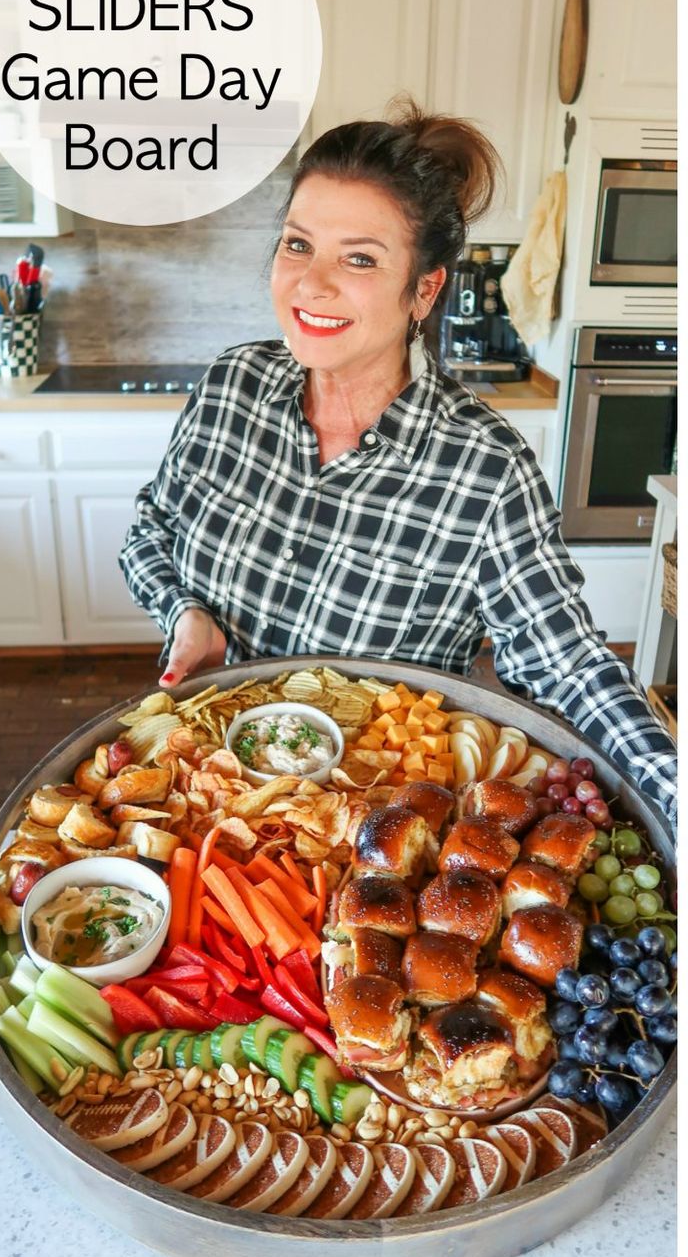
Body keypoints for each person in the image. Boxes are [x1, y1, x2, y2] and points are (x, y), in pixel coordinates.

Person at [120, 99, 677, 829]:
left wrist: (674, 790)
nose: (312, 284)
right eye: (297, 245)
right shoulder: (233, 386)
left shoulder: (485, 469)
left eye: (360, 258)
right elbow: (150, 530)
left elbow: (570, 667)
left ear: (424, 289)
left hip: (367, 838)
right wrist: (185, 611)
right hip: (197, 792)